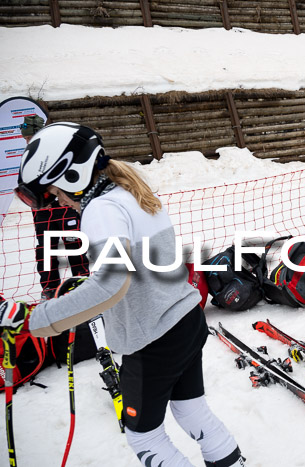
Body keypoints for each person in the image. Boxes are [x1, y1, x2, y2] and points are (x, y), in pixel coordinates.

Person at [2, 122, 245, 466]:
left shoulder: (101, 210)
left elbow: (110, 284)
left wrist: (34, 320)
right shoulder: (131, 192)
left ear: (72, 174)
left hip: (154, 339)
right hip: (184, 320)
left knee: (144, 436)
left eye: (57, 192)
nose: (60, 200)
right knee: (191, 410)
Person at [21, 115, 89, 300]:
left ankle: (81, 282)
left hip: (65, 206)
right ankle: (50, 288)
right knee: (46, 248)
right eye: (25, 138)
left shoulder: (56, 149)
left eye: (30, 137)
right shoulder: (28, 155)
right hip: (42, 212)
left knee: (74, 243)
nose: (27, 141)